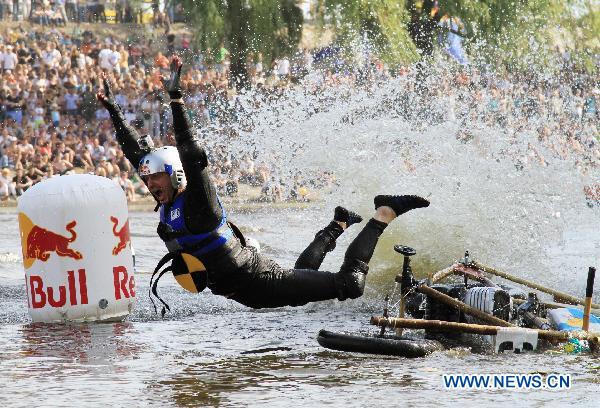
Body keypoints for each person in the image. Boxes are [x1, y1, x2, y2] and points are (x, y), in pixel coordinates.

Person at [97, 56, 430, 313]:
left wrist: (176, 99)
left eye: (157, 177)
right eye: (148, 178)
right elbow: (137, 154)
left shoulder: (199, 204)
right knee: (301, 280)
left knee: (351, 284)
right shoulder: (167, 205)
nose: (150, 183)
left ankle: (384, 212)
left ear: (176, 174)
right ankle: (338, 223)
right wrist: (114, 112)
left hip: (259, 280)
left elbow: (190, 152)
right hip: (249, 291)